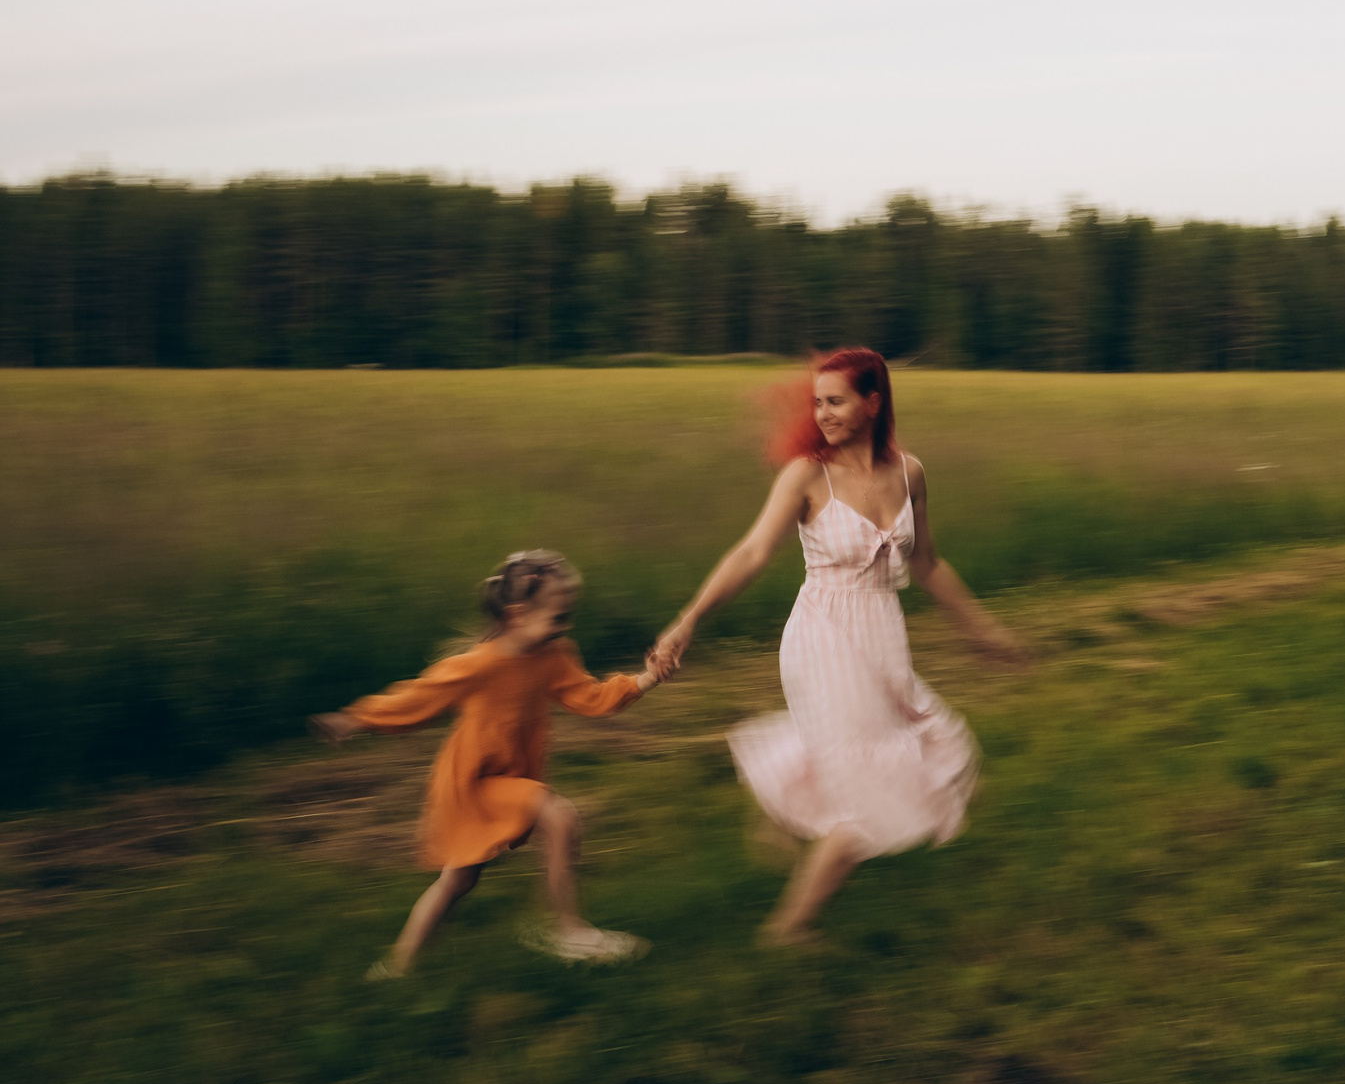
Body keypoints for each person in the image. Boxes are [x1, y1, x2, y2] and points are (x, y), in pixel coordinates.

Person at [649, 347, 1027, 946]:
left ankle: (785, 817)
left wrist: (984, 630)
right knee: (870, 786)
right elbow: (751, 553)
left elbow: (927, 565)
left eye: (836, 401)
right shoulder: (805, 475)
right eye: (817, 402)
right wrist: (689, 619)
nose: (822, 414)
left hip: (881, 633)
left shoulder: (911, 473)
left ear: (873, 402)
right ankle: (789, 928)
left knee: (937, 747)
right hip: (822, 635)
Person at [311, 548, 665, 978]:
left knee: (479, 869)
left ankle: (404, 966)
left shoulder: (554, 656)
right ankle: (559, 931)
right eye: (557, 617)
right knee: (531, 834)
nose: (565, 627)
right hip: (471, 784)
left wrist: (646, 679)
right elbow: (417, 699)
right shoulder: (479, 664)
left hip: (511, 777)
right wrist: (355, 719)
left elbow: (590, 698)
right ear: (517, 614)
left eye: (568, 616)